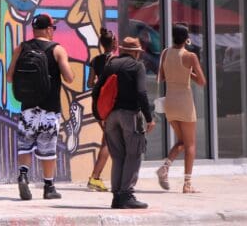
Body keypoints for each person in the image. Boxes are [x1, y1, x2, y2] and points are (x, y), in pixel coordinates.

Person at [6, 13, 74, 200]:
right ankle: (49, 187)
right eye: (52, 28)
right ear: (48, 29)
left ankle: (23, 175)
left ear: (34, 29)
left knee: (25, 146)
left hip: (27, 107)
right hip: (49, 108)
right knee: (48, 149)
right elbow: (69, 77)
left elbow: (9, 77)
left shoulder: (22, 48)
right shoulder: (57, 49)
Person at [95, 35, 155, 209]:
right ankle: (127, 194)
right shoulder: (137, 67)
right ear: (135, 53)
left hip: (111, 117)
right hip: (130, 115)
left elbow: (97, 90)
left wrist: (100, 116)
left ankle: (117, 197)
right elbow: (142, 93)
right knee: (134, 154)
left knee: (118, 156)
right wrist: (149, 118)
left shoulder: (110, 64)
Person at [155, 23, 206, 194]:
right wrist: (188, 73)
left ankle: (165, 167)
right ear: (187, 39)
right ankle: (187, 184)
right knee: (190, 145)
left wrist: (178, 73)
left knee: (182, 142)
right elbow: (202, 81)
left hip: (170, 102)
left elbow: (161, 77)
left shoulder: (165, 53)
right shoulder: (190, 56)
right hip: (184, 102)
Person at [85, 27, 117, 191]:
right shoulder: (116, 61)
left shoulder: (95, 61)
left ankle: (98, 177)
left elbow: (90, 84)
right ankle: (95, 178)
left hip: (97, 104)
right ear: (115, 43)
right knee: (108, 141)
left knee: (109, 139)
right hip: (110, 106)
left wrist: (100, 83)